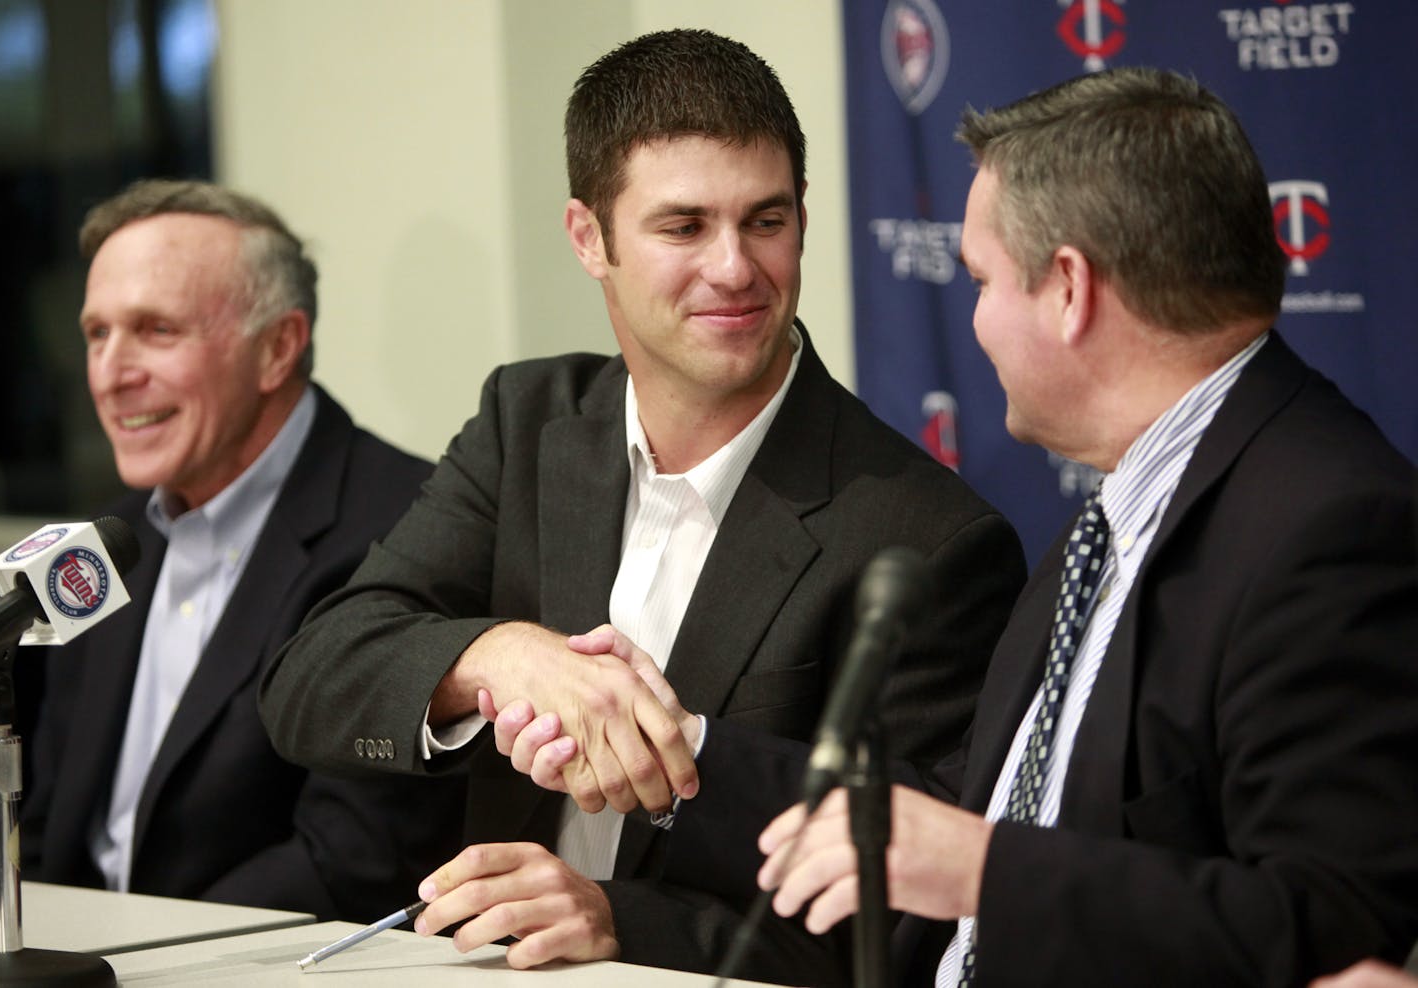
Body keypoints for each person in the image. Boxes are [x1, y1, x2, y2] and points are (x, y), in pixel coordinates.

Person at [492, 67, 1418, 985]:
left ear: (1068, 291)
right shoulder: (1120, 515)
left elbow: (1338, 927)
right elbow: (931, 814)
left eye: (980, 280)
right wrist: (678, 751)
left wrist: (982, 869)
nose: (974, 323)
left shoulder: (1327, 526)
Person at [257, 28, 1026, 986]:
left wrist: (622, 920)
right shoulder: (525, 421)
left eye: (766, 220)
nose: (737, 269)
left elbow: (908, 910)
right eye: (683, 227)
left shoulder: (927, 535)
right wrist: (494, 655)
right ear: (590, 238)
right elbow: (311, 679)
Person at [22, 180, 465, 921]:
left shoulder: (415, 525)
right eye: (97, 334)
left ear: (276, 348)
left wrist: (133, 963)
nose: (111, 372)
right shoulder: (102, 542)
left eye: (156, 330)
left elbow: (356, 858)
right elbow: (44, 822)